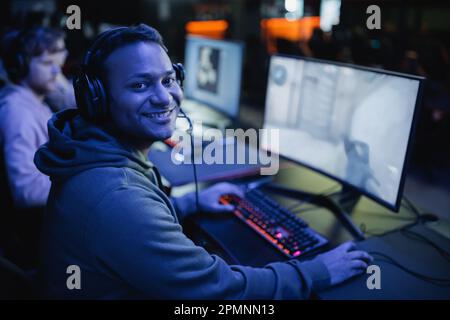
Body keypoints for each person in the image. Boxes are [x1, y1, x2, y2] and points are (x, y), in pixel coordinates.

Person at [34, 24, 373, 299]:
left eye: (168, 79)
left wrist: (188, 202)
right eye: (140, 85)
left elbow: (129, 228)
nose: (165, 97)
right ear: (98, 99)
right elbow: (218, 291)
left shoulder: (95, 152)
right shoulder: (116, 196)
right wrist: (315, 272)